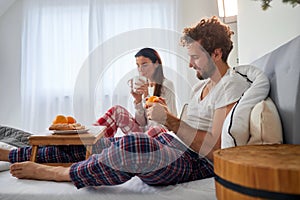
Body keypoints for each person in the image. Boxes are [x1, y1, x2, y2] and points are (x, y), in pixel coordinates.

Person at [0, 16, 251, 188]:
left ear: (216, 54)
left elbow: (217, 150)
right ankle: (13, 154)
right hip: (172, 142)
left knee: (134, 145)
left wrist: (171, 122)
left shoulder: (231, 85)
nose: (189, 64)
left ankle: (62, 173)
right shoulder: (200, 86)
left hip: (195, 161)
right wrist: (144, 105)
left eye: (195, 57)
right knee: (100, 144)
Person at [94, 47, 177, 138]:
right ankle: (90, 139)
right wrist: (138, 101)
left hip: (160, 135)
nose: (140, 69)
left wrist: (146, 98)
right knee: (117, 110)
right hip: (144, 136)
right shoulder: (146, 85)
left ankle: (122, 143)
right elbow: (142, 123)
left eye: (144, 65)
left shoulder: (167, 85)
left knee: (155, 129)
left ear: (156, 64)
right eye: (138, 65)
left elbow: (169, 122)